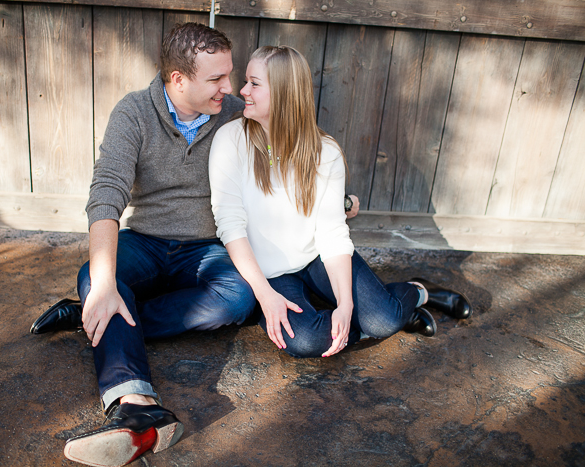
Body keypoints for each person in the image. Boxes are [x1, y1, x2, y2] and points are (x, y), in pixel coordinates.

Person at [30, 23, 256, 467]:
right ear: (178, 79)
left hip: (207, 249)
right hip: (147, 241)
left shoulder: (233, 112)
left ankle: (92, 316)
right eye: (216, 79)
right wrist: (103, 282)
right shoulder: (133, 112)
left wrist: (336, 196)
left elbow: (293, 146)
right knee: (94, 275)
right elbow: (107, 192)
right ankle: (134, 404)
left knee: (240, 298)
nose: (229, 89)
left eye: (229, 76)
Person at [209, 45, 472, 359]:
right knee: (305, 341)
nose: (242, 90)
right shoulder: (231, 140)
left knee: (383, 319)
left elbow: (332, 232)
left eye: (254, 83)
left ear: (283, 92)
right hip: (270, 275)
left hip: (317, 257)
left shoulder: (324, 151)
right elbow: (230, 226)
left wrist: (346, 306)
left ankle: (416, 292)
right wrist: (265, 295)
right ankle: (376, 321)